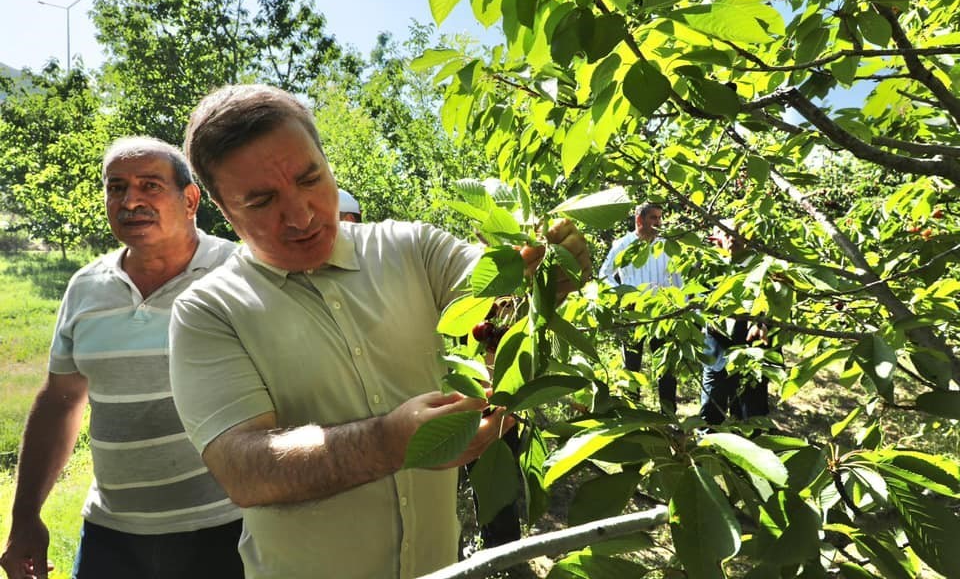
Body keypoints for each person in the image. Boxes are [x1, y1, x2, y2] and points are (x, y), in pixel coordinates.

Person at [168, 83, 592, 579]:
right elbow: (243, 469)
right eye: (262, 201)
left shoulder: (413, 250)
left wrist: (546, 269)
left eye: (311, 178)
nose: (301, 215)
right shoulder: (208, 311)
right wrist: (389, 443)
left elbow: (500, 298)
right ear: (221, 208)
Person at [0, 137, 242, 579]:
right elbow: (59, 403)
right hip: (111, 537)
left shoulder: (241, 273)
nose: (130, 201)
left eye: (150, 186)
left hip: (227, 528)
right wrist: (25, 515)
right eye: (116, 188)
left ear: (190, 200)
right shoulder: (85, 287)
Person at [599, 203, 683, 413]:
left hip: (663, 312)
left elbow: (677, 277)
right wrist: (623, 294)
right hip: (633, 312)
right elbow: (604, 274)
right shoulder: (623, 244)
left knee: (666, 365)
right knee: (632, 365)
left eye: (660, 218)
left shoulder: (666, 245)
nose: (658, 223)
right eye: (653, 218)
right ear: (639, 220)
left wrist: (680, 306)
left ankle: (668, 416)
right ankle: (632, 414)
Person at [700, 224, 771, 425]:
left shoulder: (764, 268)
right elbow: (697, 301)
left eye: (740, 234)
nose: (734, 238)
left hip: (753, 353)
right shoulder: (708, 267)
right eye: (728, 233)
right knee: (710, 414)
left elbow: (778, 304)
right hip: (717, 353)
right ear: (718, 238)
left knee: (751, 417)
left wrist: (763, 322)